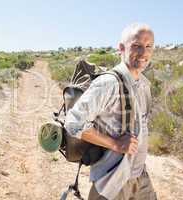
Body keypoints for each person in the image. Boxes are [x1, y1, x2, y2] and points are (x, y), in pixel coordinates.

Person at [64, 23, 157, 200]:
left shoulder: (144, 84)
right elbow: (73, 123)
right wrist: (115, 144)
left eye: (148, 46)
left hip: (140, 176)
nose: (144, 52)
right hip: (113, 181)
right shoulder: (109, 83)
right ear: (121, 48)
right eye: (136, 45)